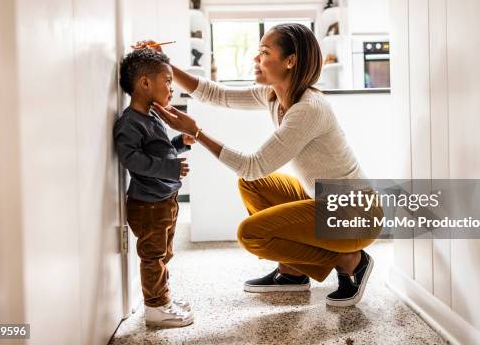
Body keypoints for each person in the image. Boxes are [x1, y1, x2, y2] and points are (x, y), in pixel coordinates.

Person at [145, 23, 383, 308]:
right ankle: (293, 272)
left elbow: (253, 165)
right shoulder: (273, 95)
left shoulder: (308, 108)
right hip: (323, 200)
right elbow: (214, 94)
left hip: (356, 214)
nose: (255, 59)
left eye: (264, 52)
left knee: (252, 233)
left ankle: (351, 260)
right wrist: (164, 63)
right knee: (252, 185)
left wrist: (197, 133)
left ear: (290, 61)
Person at [113, 49, 195, 326]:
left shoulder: (151, 116)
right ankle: (156, 307)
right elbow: (132, 160)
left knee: (165, 253)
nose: (172, 87)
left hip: (163, 200)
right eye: (168, 80)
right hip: (148, 204)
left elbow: (157, 153)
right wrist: (171, 168)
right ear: (145, 83)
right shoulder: (130, 122)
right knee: (154, 256)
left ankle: (164, 297)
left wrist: (178, 145)